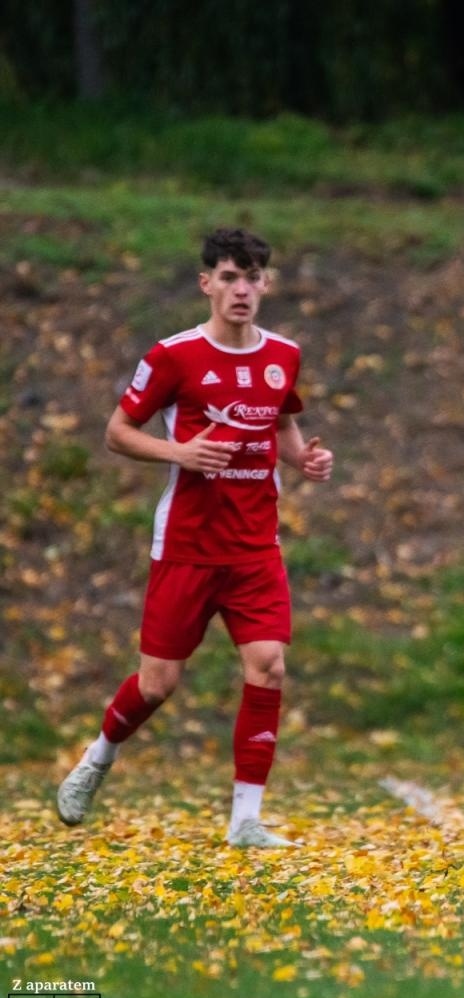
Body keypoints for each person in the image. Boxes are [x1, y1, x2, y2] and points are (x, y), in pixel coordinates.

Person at [55, 228, 334, 848]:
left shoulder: (283, 354)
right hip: (185, 545)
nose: (242, 289)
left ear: (266, 285)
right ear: (206, 283)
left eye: (253, 277)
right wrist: (180, 451)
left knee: (269, 668)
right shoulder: (173, 356)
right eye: (230, 277)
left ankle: (246, 821)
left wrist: (303, 461)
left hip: (256, 546)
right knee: (159, 684)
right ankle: (98, 756)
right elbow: (116, 432)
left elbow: (283, 421)